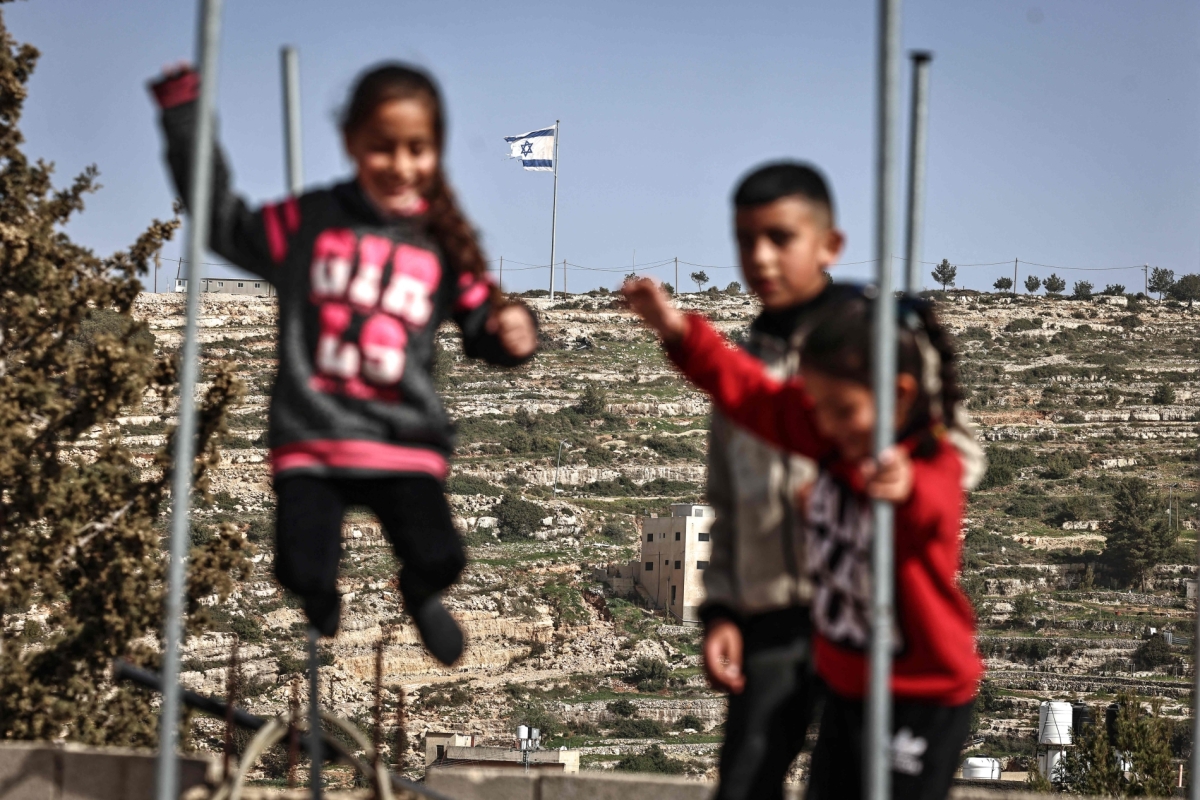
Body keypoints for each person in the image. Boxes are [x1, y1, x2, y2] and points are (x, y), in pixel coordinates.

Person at [149, 63, 538, 666]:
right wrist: (183, 117)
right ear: (352, 143)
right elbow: (223, 221)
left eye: (418, 149)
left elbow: (481, 324)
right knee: (300, 568)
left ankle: (417, 592)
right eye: (382, 147)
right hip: (316, 436)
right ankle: (319, 599)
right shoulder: (311, 221)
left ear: (436, 151)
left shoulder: (441, 243)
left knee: (443, 558)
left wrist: (514, 333)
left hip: (400, 438)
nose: (400, 165)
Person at [624, 279, 983, 800]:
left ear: (899, 395)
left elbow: (933, 505)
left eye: (839, 410)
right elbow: (748, 392)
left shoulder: (931, 463)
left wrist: (903, 489)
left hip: (919, 693)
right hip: (849, 686)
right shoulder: (833, 428)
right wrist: (677, 331)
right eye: (815, 407)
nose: (823, 426)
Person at [699, 162, 849, 800]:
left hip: (863, 621)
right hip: (770, 625)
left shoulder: (875, 346)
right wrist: (722, 611)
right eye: (745, 240)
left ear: (826, 244)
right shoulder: (740, 374)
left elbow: (958, 455)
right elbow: (726, 507)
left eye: (779, 238)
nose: (759, 257)